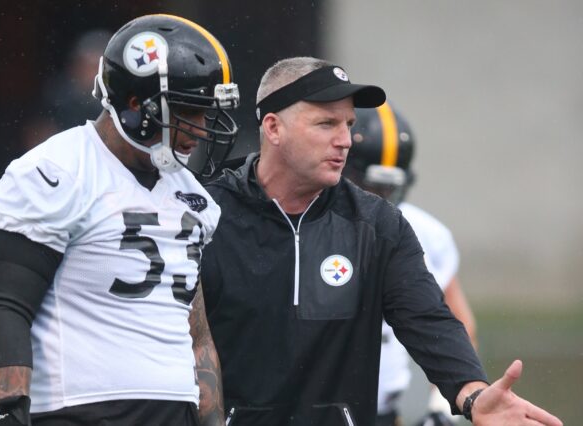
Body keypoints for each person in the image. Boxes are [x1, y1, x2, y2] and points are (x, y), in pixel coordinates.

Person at [200, 56, 563, 426]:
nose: (344, 140)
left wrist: (471, 394)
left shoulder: (377, 223)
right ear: (273, 128)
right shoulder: (205, 215)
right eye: (326, 123)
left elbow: (428, 319)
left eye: (349, 124)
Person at [0, 14, 240, 426]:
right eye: (190, 111)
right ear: (136, 106)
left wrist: (212, 418)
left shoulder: (192, 195)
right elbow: (5, 303)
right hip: (80, 410)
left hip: (175, 411)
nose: (201, 130)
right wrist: (8, 410)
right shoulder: (56, 171)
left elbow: (195, 330)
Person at [343, 102, 477, 426]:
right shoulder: (311, 225)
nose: (380, 198)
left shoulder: (425, 233)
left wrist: (441, 409)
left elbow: (456, 325)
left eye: (389, 189)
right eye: (371, 188)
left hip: (383, 414)